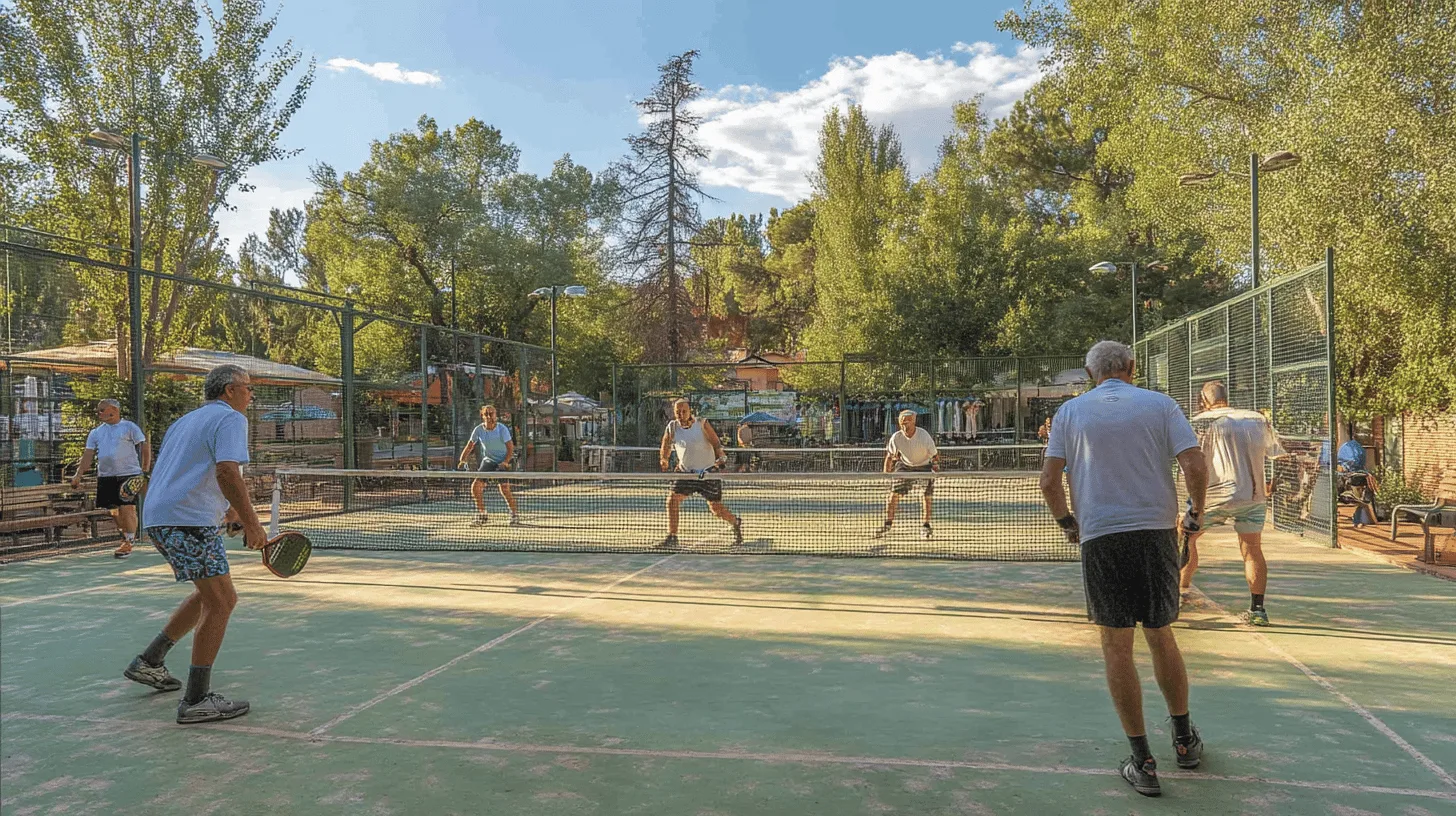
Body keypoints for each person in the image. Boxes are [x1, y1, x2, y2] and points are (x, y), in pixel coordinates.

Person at [1039, 340, 1207, 797]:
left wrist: (1068, 524)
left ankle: (1143, 761)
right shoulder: (1160, 404)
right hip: (1154, 535)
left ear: (1090, 373)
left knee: (1116, 646)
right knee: (1161, 633)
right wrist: (1195, 511)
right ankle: (1184, 741)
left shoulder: (1071, 414)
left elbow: (1049, 481)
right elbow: (1194, 461)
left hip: (1101, 537)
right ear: (1132, 367)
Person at [123, 364, 266, 724]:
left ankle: (149, 661)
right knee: (223, 601)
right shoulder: (231, 419)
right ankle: (196, 699)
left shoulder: (186, 421)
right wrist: (252, 524)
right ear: (230, 390)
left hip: (161, 517)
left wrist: (231, 510)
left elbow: (195, 470)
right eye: (248, 388)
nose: (251, 395)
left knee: (208, 594)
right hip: (186, 522)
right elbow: (226, 471)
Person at [1179, 382, 1288, 624]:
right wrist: (1270, 483)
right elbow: (1277, 454)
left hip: (1213, 496)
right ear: (1226, 397)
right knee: (1252, 549)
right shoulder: (1257, 419)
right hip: (1253, 495)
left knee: (1185, 537)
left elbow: (1192, 462)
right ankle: (1258, 610)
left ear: (1203, 400)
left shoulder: (1200, 421)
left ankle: (1181, 590)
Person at [70, 399, 151, 558]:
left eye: (102, 410)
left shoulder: (129, 427)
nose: (98, 413)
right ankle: (126, 537)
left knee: (127, 507)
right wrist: (78, 475)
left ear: (113, 410)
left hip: (128, 475)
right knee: (113, 511)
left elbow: (144, 447)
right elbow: (88, 455)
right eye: (98, 410)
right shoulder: (96, 432)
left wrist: (144, 471)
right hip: (106, 476)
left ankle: (128, 541)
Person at [657, 399, 742, 549]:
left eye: (684, 411)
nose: (681, 414)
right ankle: (672, 536)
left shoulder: (702, 423)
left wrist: (720, 456)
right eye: (678, 411)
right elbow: (666, 444)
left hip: (707, 473)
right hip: (685, 473)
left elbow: (716, 443)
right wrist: (664, 458)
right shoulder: (672, 427)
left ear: (690, 411)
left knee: (716, 508)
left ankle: (735, 522)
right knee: (672, 501)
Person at [874, 410, 940, 540]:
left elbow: (935, 456)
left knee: (927, 496)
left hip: (924, 466)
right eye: (902, 423)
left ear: (914, 422)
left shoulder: (924, 436)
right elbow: (889, 456)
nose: (905, 426)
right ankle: (887, 524)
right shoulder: (896, 437)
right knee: (893, 495)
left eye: (907, 422)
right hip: (904, 467)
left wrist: (935, 469)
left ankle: (926, 526)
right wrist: (886, 474)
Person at [458, 404, 520, 526]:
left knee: (504, 489)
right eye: (486, 414)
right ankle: (482, 515)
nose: (489, 416)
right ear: (482, 416)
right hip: (489, 461)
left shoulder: (502, 429)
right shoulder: (478, 430)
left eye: (491, 413)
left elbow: (510, 447)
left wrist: (506, 462)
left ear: (496, 415)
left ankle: (514, 515)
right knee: (475, 487)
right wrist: (462, 459)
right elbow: (470, 445)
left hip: (503, 460)